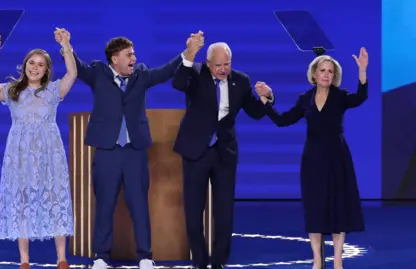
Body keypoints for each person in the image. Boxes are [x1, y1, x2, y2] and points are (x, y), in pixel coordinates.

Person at [54, 28, 202, 269]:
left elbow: (165, 72)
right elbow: (77, 67)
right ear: (115, 58)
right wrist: (66, 46)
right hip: (107, 151)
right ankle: (101, 256)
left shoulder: (141, 75)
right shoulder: (99, 73)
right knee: (104, 205)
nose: (134, 58)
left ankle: (145, 255)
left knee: (139, 204)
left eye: (134, 54)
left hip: (135, 151)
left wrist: (188, 52)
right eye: (129, 55)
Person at [256, 48, 369, 269]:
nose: (326, 74)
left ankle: (337, 260)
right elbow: (282, 120)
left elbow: (361, 97)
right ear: (314, 74)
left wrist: (362, 71)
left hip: (337, 158)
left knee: (338, 208)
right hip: (313, 161)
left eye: (330, 71)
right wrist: (266, 102)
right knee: (315, 208)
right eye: (322, 70)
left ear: (334, 75)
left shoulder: (340, 96)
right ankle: (317, 259)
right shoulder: (304, 99)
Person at [0, 29, 77, 269]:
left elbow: (72, 73)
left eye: (40, 65)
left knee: (55, 198)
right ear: (25, 66)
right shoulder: (12, 91)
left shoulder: (53, 91)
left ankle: (61, 258)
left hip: (49, 153)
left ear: (46, 70)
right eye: (31, 63)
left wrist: (66, 46)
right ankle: (24, 260)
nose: (35, 67)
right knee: (21, 200)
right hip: (20, 156)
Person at [171, 40, 274, 269]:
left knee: (224, 213)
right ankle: (199, 262)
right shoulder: (196, 74)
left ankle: (219, 263)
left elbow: (255, 112)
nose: (223, 69)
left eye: (227, 64)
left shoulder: (241, 80)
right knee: (193, 210)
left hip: (224, 153)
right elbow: (178, 83)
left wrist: (266, 98)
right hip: (196, 150)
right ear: (208, 63)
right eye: (218, 65)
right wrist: (189, 54)